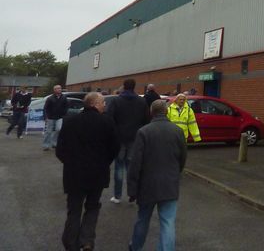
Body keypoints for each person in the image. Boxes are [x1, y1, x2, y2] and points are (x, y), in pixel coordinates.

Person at [55, 92, 119, 251]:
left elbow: (60, 149)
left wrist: (70, 163)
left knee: (74, 209)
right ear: (95, 104)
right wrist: (104, 163)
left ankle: (71, 243)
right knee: (92, 207)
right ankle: (87, 240)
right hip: (97, 174)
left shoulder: (70, 121)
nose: (105, 105)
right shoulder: (107, 122)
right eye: (103, 102)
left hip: (74, 174)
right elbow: (114, 148)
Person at [127, 99, 187, 251]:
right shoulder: (178, 131)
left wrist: (132, 189)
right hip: (170, 184)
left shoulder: (144, 132)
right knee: (168, 223)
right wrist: (175, 173)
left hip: (147, 185)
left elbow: (135, 163)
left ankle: (136, 247)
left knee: (142, 220)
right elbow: (182, 158)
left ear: (151, 112)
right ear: (166, 111)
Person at [106, 78, 149, 204]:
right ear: (134, 87)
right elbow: (146, 120)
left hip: (119, 138)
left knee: (119, 166)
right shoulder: (142, 101)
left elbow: (109, 118)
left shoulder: (116, 100)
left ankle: (117, 196)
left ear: (124, 86)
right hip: (135, 138)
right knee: (132, 166)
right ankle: (132, 194)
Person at [43, 84, 69, 151]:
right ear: (54, 90)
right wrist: (46, 117)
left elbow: (66, 106)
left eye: (60, 88)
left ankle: (55, 143)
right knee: (48, 131)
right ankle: (46, 145)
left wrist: (64, 114)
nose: (59, 89)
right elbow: (45, 108)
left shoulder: (64, 97)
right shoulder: (50, 98)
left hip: (60, 117)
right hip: (50, 117)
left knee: (59, 129)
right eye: (57, 88)